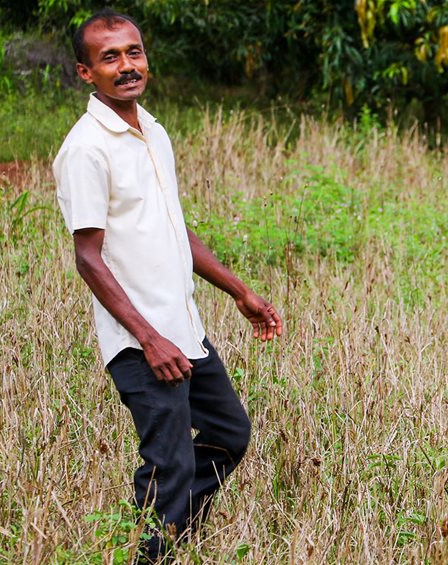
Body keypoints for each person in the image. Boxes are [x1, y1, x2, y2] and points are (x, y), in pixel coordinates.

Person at [52, 9, 283, 561]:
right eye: (109, 57)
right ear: (86, 72)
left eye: (133, 52)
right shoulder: (86, 149)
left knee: (229, 435)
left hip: (185, 330)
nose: (127, 65)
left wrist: (240, 291)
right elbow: (88, 258)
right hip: (142, 343)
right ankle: (150, 550)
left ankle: (168, 538)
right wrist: (149, 339)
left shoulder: (151, 130)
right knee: (169, 462)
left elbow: (175, 226)